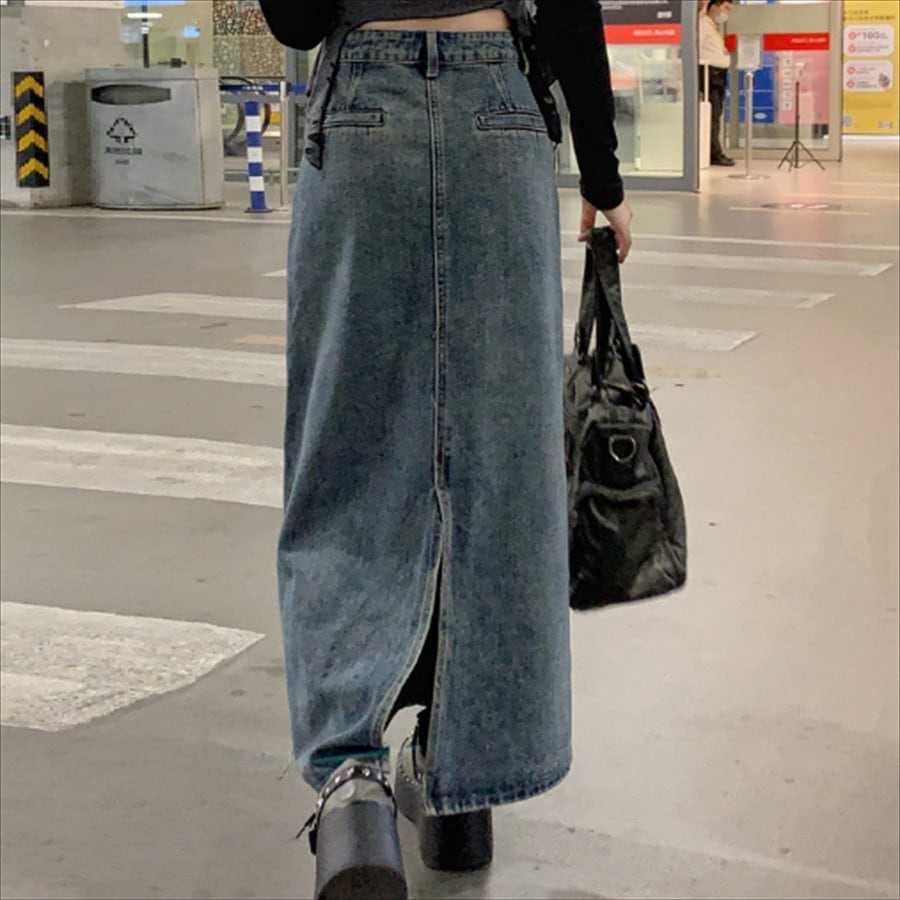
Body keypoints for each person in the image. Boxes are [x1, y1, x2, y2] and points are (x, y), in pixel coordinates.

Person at [260, 2, 631, 898]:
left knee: (347, 456)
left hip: (364, 115)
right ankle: (462, 778)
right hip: (497, 111)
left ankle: (354, 788)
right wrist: (603, 173)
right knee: (500, 460)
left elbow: (297, 20)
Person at [700, 0, 736, 166]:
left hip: (718, 75)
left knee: (716, 114)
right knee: (712, 115)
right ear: (714, 7)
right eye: (725, 8)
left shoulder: (713, 27)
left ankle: (714, 151)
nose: (727, 13)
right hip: (710, 74)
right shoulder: (703, 25)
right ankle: (714, 153)